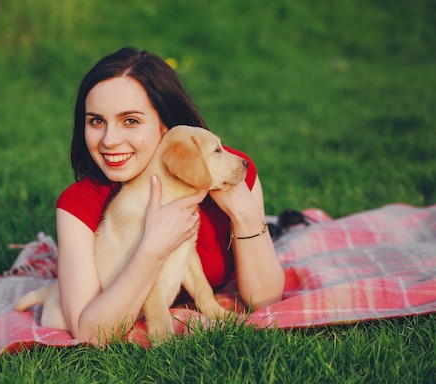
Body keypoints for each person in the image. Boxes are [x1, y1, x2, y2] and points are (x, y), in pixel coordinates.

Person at [55, 47, 284, 344]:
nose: (109, 140)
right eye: (96, 121)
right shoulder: (80, 203)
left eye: (130, 121)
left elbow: (264, 300)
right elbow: (91, 333)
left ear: (165, 124)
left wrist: (244, 213)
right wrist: (152, 249)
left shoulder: (229, 170)